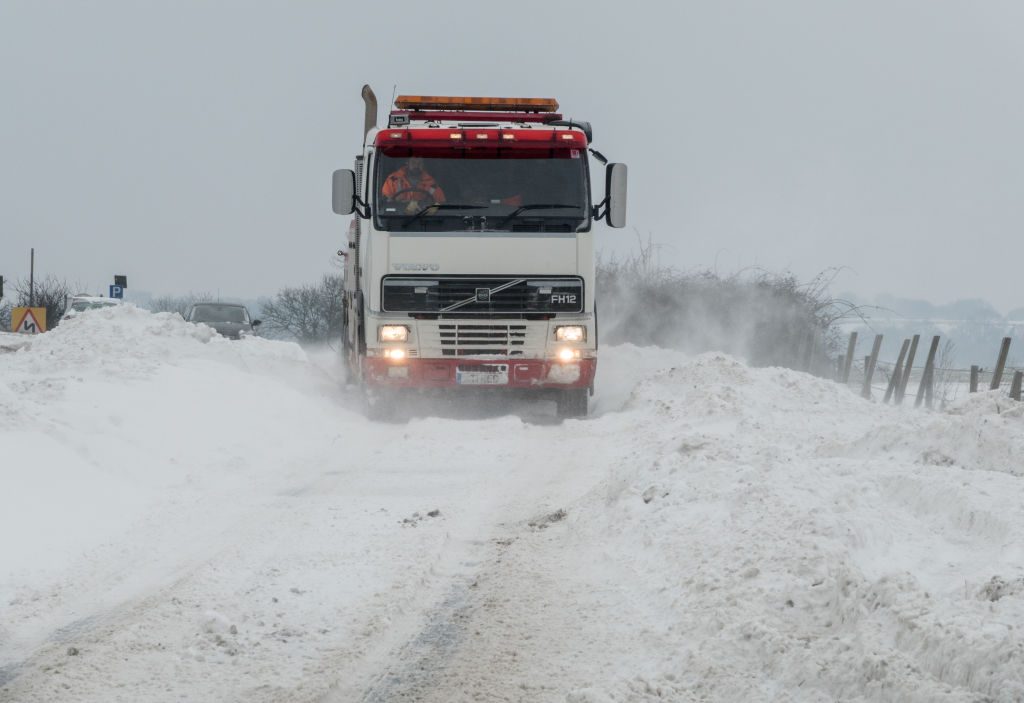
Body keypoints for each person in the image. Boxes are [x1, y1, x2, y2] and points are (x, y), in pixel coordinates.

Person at [381, 157, 446, 213]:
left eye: (420, 163)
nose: (416, 166)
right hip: (397, 218)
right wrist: (400, 204)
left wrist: (428, 209)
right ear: (407, 163)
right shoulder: (393, 180)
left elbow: (441, 204)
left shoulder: (432, 184)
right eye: (413, 162)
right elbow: (385, 203)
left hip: (423, 220)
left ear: (423, 165)